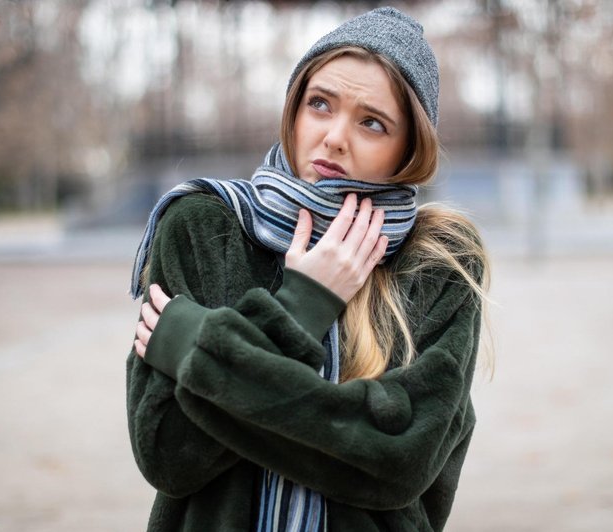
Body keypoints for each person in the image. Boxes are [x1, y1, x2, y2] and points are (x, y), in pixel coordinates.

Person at [127, 6, 490, 532]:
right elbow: (169, 453)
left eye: (372, 122)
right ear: (294, 109)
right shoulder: (200, 227)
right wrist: (304, 303)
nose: (335, 137)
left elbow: (399, 460)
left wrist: (198, 350)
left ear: (409, 149)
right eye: (320, 104)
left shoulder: (439, 259)